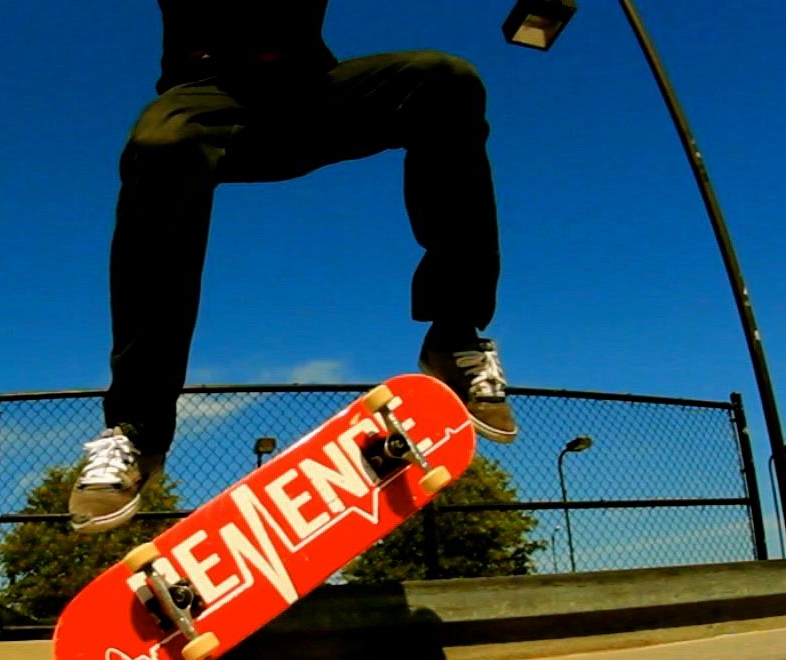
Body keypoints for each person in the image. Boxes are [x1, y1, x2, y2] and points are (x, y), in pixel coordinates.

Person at [69, 0, 513, 534]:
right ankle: (137, 427)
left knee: (445, 80)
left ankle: (453, 334)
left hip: (313, 97)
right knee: (161, 144)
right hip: (212, 102)